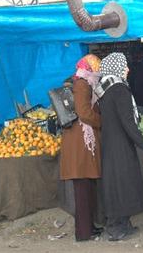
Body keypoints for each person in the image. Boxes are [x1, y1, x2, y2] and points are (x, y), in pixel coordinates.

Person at [95, 52, 143, 241]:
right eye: (124, 65)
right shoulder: (119, 89)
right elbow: (128, 122)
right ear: (116, 67)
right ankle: (115, 228)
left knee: (120, 185)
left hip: (112, 143)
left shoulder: (106, 88)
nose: (127, 69)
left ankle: (124, 225)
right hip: (120, 145)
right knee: (120, 186)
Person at [60, 54, 103, 242]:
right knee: (82, 190)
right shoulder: (82, 85)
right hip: (80, 144)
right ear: (89, 69)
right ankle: (84, 233)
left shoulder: (84, 83)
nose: (98, 72)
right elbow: (84, 113)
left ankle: (89, 228)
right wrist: (103, 122)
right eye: (96, 68)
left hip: (83, 143)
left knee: (86, 188)